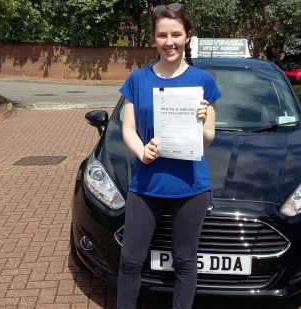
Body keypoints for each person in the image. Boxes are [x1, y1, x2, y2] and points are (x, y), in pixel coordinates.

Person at [116, 3, 221, 309]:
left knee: (186, 260)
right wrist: (142, 151)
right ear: (153, 38)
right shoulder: (138, 79)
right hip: (147, 182)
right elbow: (128, 129)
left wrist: (202, 121)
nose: (169, 41)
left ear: (187, 36)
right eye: (162, 35)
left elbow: (209, 138)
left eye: (176, 34)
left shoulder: (203, 82)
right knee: (130, 259)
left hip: (190, 186)